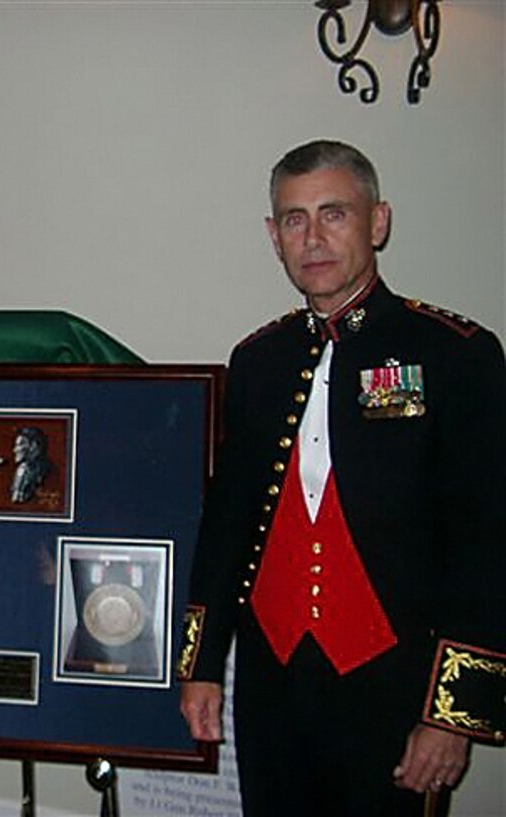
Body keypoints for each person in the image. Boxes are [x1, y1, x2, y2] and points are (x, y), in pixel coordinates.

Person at [176, 140, 506, 816]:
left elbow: (488, 540)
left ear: (377, 221)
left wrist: (454, 712)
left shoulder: (455, 353)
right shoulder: (259, 360)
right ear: (273, 236)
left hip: (395, 684)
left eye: (334, 213)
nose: (314, 237)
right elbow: (227, 523)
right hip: (274, 682)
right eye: (294, 219)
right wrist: (201, 665)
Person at [9, 425, 52, 503]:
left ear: (33, 446)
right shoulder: (21, 469)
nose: (15, 450)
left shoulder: (47, 471)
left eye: (20, 445)